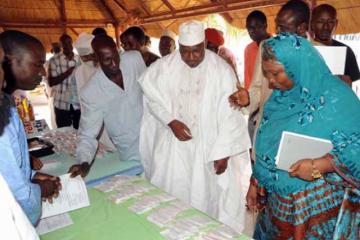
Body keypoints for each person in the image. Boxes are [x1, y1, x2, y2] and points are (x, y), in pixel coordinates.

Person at [138, 20, 251, 232]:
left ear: (204, 44)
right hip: (174, 147)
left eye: (196, 51)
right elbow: (151, 98)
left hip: (208, 147)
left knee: (205, 199)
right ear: (178, 46)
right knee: (171, 196)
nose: (191, 57)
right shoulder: (164, 67)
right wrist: (170, 121)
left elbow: (231, 115)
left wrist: (224, 153)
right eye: (185, 52)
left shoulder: (221, 70)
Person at [247, 32, 360, 240]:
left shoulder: (337, 98)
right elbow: (267, 146)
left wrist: (320, 165)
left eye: (277, 73)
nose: (271, 82)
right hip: (278, 207)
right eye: (267, 74)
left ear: (297, 66)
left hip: (317, 206)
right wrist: (256, 182)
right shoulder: (279, 100)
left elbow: (357, 146)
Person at [0, 30, 61, 225]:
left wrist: (32, 175)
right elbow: (17, 194)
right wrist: (41, 190)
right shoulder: (2, 119)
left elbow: (9, 170)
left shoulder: (7, 102)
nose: (43, 72)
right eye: (37, 64)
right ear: (8, 63)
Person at [229, 0, 311, 145]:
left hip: (301, 128)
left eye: (283, 28)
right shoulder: (267, 47)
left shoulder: (315, 53)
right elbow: (257, 87)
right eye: (277, 26)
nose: (277, 33)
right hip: (269, 125)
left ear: (301, 28)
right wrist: (248, 100)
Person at [67, 34, 146, 178]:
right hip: (129, 148)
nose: (114, 64)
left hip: (153, 136)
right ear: (96, 58)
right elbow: (88, 134)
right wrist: (84, 162)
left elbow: (150, 89)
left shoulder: (134, 59)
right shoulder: (91, 91)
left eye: (116, 57)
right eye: (107, 60)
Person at [311, 4, 360, 84]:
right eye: (320, 22)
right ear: (312, 24)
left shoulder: (346, 51)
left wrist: (346, 82)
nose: (325, 27)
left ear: (336, 24)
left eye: (330, 22)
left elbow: (354, 83)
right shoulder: (305, 49)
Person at [48, 34, 81, 129]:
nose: (68, 45)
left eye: (69, 42)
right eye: (65, 43)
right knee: (63, 132)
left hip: (77, 103)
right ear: (61, 45)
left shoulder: (79, 59)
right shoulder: (54, 60)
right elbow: (51, 82)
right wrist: (68, 72)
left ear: (72, 43)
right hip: (61, 103)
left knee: (79, 131)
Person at [244, 10, 270, 90]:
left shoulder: (276, 47)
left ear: (265, 26)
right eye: (249, 28)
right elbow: (248, 78)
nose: (251, 31)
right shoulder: (248, 49)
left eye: (254, 27)